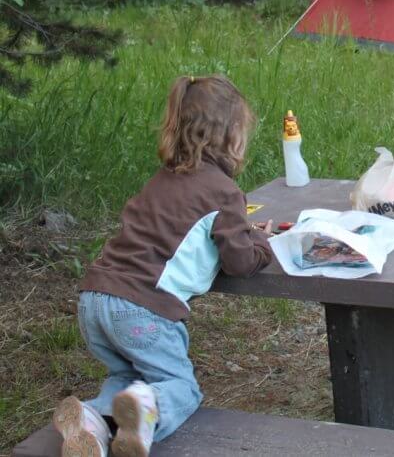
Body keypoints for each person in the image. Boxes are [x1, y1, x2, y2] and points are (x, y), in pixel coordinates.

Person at [52, 75, 274, 457]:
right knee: (179, 386)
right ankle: (144, 412)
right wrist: (261, 242)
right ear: (231, 136)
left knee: (128, 376)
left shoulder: (160, 181)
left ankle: (89, 423)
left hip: (94, 301)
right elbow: (240, 261)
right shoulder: (224, 192)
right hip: (141, 310)